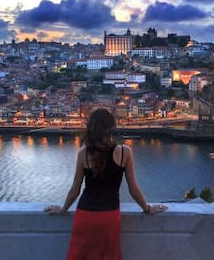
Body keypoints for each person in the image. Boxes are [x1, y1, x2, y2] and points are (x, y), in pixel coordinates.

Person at [44, 108, 167, 260]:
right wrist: (147, 208)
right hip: (109, 216)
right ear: (112, 128)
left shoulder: (83, 154)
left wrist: (63, 209)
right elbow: (134, 190)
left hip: (84, 216)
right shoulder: (124, 152)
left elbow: (75, 190)